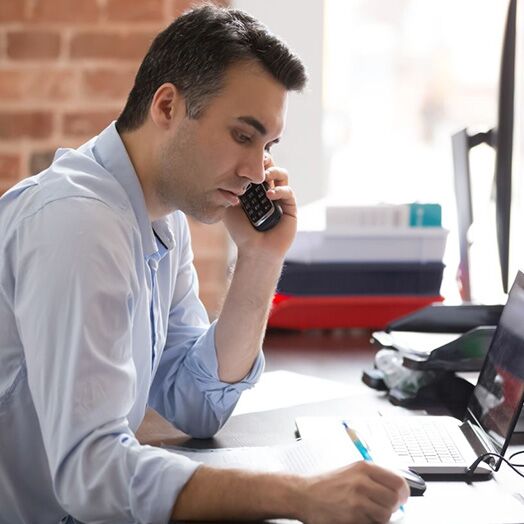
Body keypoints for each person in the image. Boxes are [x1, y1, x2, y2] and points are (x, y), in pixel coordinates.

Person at [0, 5, 408, 524]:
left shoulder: (160, 217)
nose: (256, 170)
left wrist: (261, 257)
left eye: (267, 146)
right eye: (243, 135)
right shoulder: (78, 224)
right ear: (167, 106)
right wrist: (295, 494)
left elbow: (194, 402)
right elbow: (91, 474)